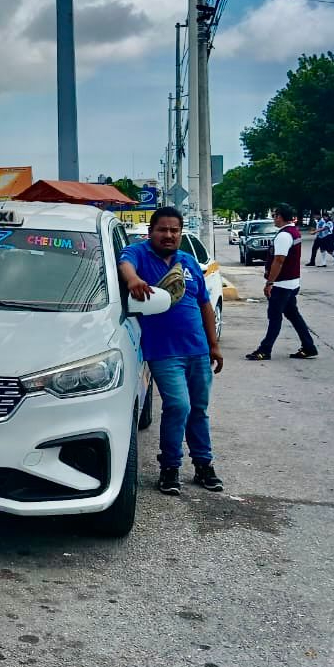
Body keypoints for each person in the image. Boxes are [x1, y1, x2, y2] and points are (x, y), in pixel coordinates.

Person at [118, 206, 225, 496]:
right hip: (163, 352)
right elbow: (124, 264)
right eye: (163, 230)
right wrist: (133, 281)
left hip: (198, 351)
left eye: (174, 230)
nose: (169, 235)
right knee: (179, 406)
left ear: (180, 233)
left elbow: (204, 303)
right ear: (151, 231)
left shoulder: (189, 262)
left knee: (199, 410)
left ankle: (204, 465)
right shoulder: (138, 255)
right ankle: (170, 467)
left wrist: (213, 345)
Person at [246, 203, 319, 361]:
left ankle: (265, 350)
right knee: (293, 315)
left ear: (280, 216)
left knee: (275, 317)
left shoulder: (284, 236)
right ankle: (309, 346)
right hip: (292, 283)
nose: (274, 218)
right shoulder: (294, 232)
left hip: (281, 285)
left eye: (275, 215)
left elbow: (279, 261)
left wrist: (269, 283)